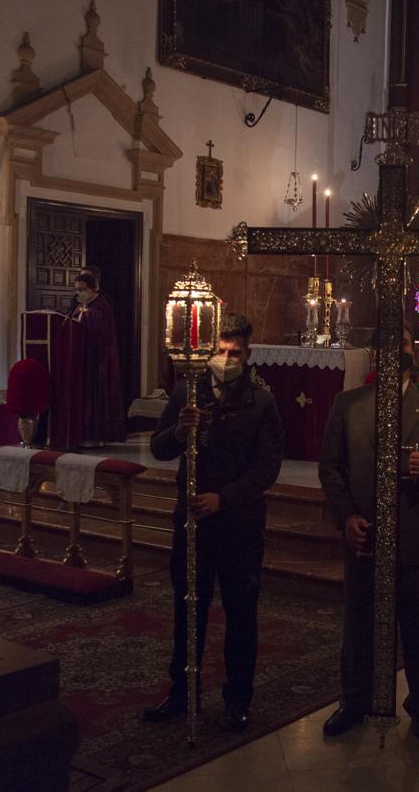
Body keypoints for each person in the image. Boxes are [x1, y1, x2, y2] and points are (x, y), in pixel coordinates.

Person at [319, 324, 419, 743]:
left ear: (411, 352)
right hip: (364, 533)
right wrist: (346, 517)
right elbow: (331, 467)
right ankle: (354, 700)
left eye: (401, 344)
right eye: (387, 344)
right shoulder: (348, 404)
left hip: (414, 529)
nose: (395, 351)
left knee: (418, 625)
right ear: (375, 353)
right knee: (359, 622)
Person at [142, 313, 283, 731]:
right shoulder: (188, 391)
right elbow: (159, 448)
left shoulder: (262, 401)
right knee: (189, 608)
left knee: (241, 613)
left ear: (248, 353)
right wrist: (179, 432)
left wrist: (225, 498)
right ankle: (182, 690)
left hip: (239, 524)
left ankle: (238, 697)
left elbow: (268, 465)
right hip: (192, 525)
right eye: (220, 351)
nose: (226, 358)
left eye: (234, 352)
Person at [70, 272, 126, 447]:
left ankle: (95, 436)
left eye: (82, 290)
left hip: (96, 360)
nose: (78, 294)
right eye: (76, 290)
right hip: (82, 359)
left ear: (94, 289)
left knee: (95, 396)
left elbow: (99, 335)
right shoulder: (81, 307)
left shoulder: (101, 307)